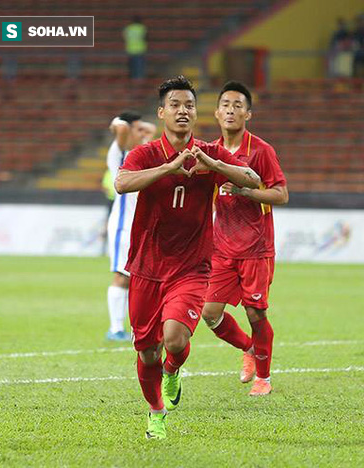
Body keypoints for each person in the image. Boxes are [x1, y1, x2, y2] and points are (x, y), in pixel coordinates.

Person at [114, 76, 261, 439]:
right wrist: (169, 167)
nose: (183, 111)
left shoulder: (208, 152)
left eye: (190, 105)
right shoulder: (146, 154)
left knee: (175, 340)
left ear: (197, 113)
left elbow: (253, 178)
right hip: (147, 268)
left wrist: (214, 164)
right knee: (147, 351)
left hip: (192, 267)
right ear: (161, 112)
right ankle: (156, 411)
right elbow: (121, 183)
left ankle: (173, 370)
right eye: (176, 105)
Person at [201, 81, 288, 397]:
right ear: (216, 112)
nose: (230, 110)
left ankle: (263, 378)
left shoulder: (261, 151)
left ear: (248, 114)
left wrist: (246, 191)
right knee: (209, 314)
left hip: (255, 248)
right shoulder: (210, 153)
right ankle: (250, 348)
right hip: (221, 248)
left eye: (238, 105)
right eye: (225, 104)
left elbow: (281, 194)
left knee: (256, 313)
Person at [105, 111, 156, 341]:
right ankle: (115, 329)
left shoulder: (144, 152)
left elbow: (152, 129)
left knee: (141, 279)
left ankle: (138, 328)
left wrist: (139, 128)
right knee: (122, 277)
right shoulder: (119, 153)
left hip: (144, 227)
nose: (141, 133)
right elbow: (123, 129)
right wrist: (122, 123)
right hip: (123, 226)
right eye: (137, 129)